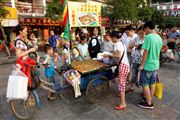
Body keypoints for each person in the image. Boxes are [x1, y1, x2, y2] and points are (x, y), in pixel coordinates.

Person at [138, 21, 162, 109]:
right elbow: (159, 51)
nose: (145, 31)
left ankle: (148, 103)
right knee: (152, 83)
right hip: (155, 64)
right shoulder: (159, 37)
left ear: (147, 27)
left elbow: (146, 52)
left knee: (144, 84)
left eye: (145, 29)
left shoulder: (148, 37)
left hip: (148, 64)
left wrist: (141, 65)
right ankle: (149, 99)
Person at [105, 31, 130, 110]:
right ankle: (120, 93)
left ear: (114, 37)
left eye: (111, 38)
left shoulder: (117, 44)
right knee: (122, 82)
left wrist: (109, 55)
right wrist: (113, 53)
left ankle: (123, 103)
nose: (111, 39)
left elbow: (118, 55)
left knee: (121, 84)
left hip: (122, 65)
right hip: (126, 65)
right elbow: (120, 53)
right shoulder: (122, 43)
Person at [14, 24, 37, 89]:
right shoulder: (19, 41)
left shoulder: (22, 39)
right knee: (26, 84)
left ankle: (30, 97)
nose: (27, 33)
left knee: (28, 83)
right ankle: (28, 97)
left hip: (26, 64)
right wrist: (29, 50)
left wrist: (32, 40)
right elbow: (18, 55)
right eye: (25, 31)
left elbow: (32, 45)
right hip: (23, 65)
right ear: (20, 31)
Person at [126, 26, 145, 94]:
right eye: (139, 33)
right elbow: (130, 46)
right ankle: (131, 88)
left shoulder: (147, 39)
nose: (141, 34)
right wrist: (135, 45)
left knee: (143, 76)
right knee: (134, 75)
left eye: (142, 33)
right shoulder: (136, 38)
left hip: (144, 60)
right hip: (136, 59)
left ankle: (144, 91)